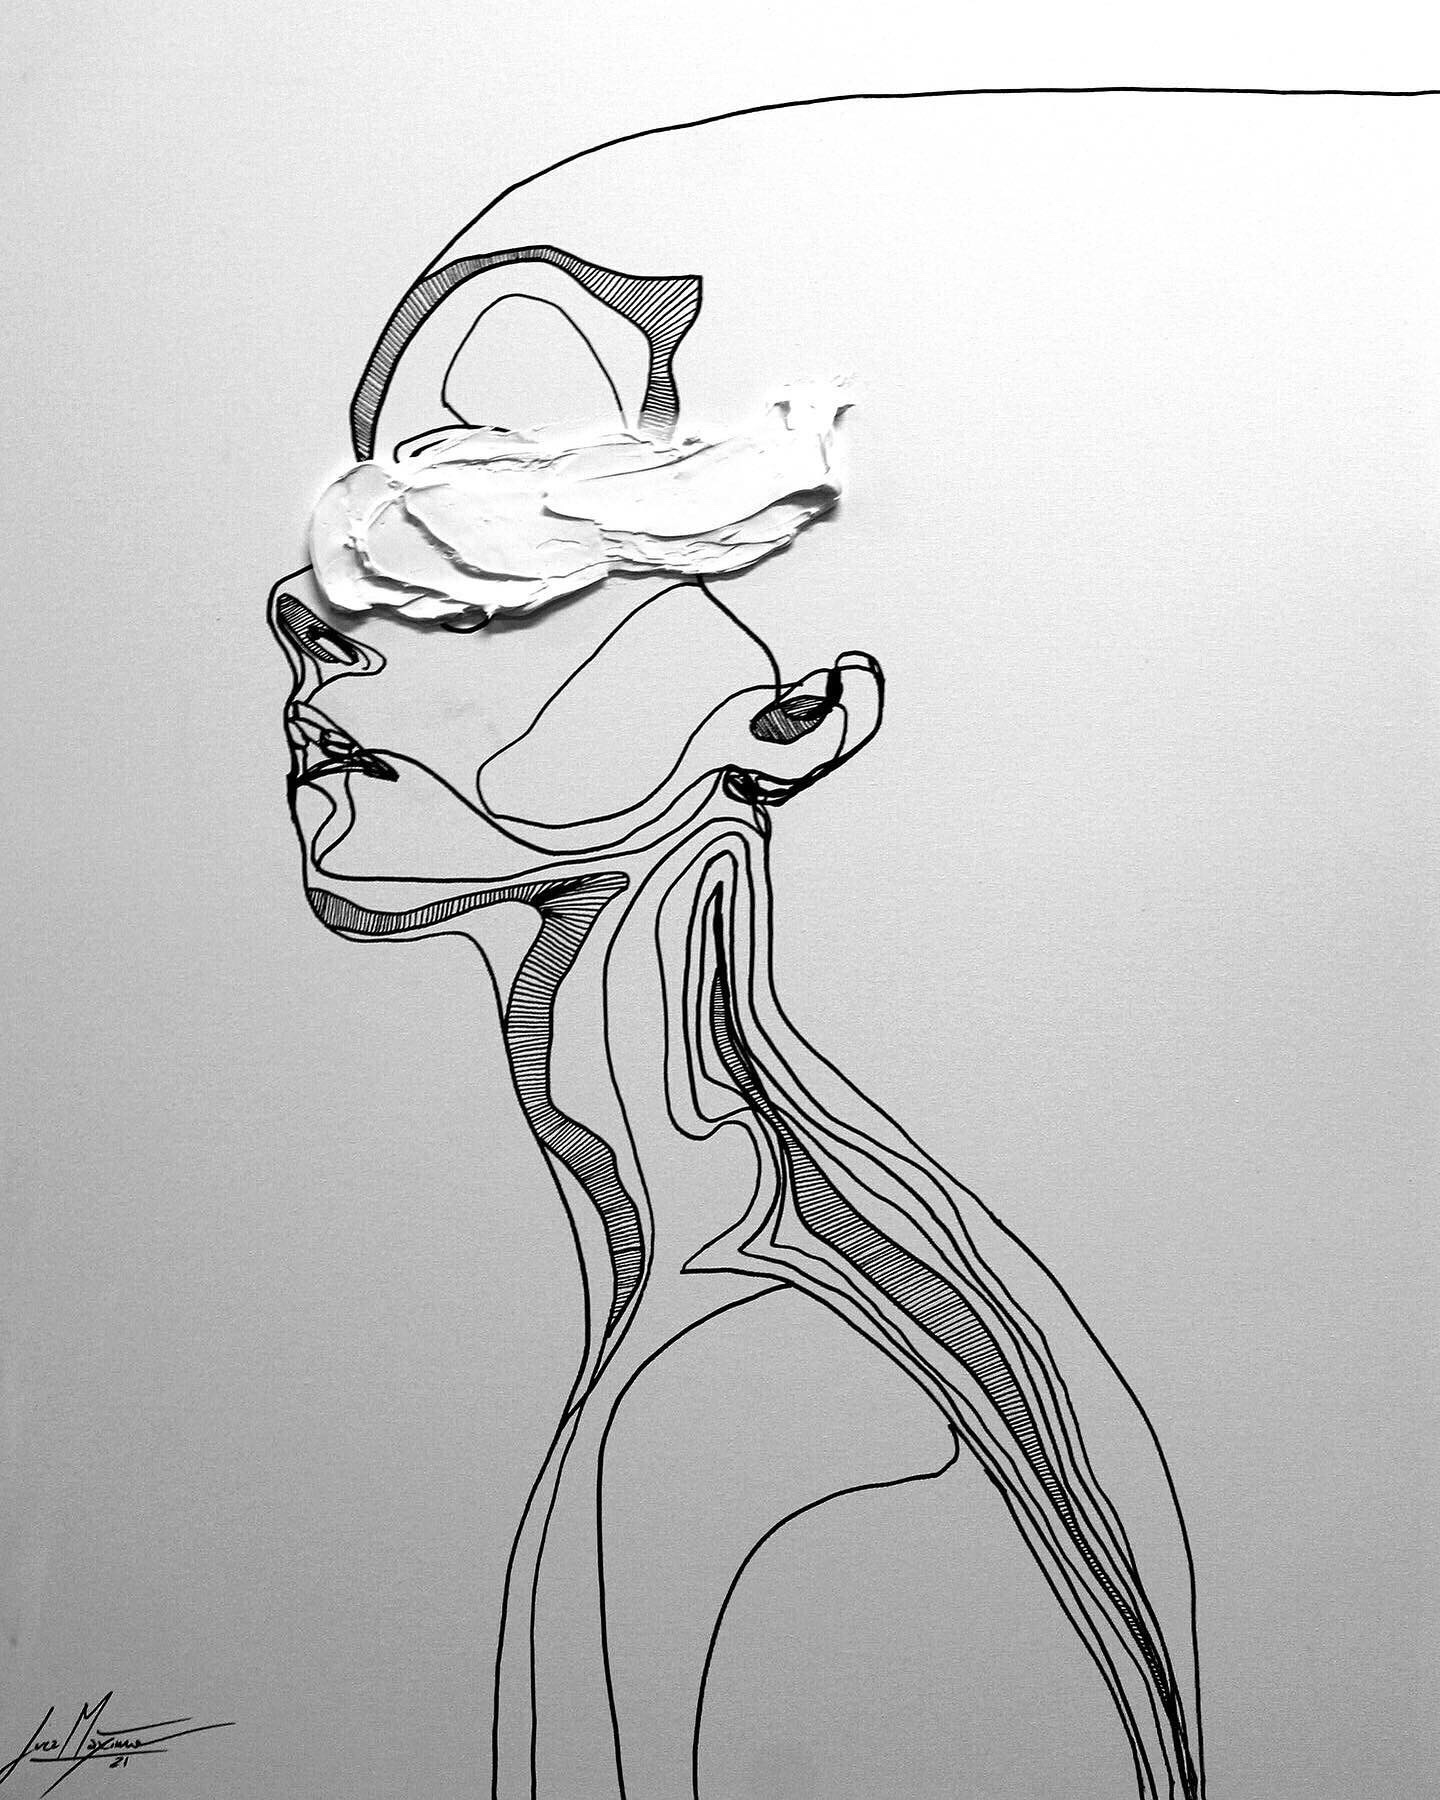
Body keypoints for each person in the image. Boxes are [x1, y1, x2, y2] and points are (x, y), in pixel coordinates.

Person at [271, 94, 1205, 1800]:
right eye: (362, 512)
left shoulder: (790, 1442)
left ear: (792, 707)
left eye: (485, 525)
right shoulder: (718, 1358)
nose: (314, 603)